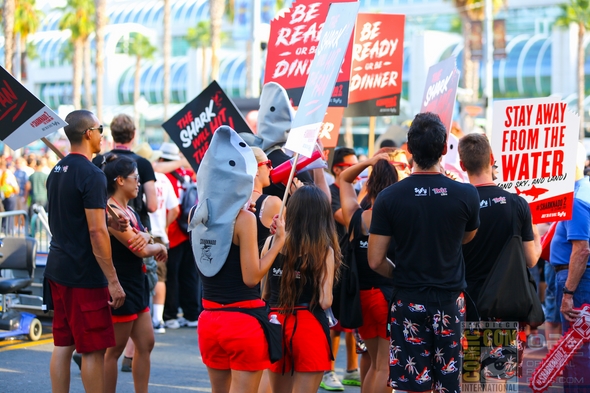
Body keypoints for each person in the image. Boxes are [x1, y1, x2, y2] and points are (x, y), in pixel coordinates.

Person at [368, 112, 480, 392]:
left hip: (408, 299)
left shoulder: (388, 197)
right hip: (449, 302)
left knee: (411, 386)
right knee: (450, 385)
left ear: (408, 148)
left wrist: (401, 272)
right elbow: (467, 238)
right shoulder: (466, 194)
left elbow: (375, 260)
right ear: (444, 148)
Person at [191, 126, 286, 393]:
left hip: (209, 320)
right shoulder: (244, 219)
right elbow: (251, 276)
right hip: (244, 319)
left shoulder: (196, 214)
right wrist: (277, 243)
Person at [43, 110, 126, 393]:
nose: (103, 134)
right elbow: (96, 231)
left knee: (63, 345)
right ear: (88, 133)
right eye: (100, 128)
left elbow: (79, 216)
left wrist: (111, 217)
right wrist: (113, 280)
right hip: (83, 273)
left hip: (57, 268)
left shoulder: (56, 171)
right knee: (92, 350)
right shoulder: (91, 174)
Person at [458, 133, 541, 379]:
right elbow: (531, 260)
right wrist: (535, 232)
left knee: (470, 377)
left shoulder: (459, 202)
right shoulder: (517, 204)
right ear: (492, 159)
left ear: (462, 165)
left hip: (467, 305)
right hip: (506, 305)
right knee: (497, 378)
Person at [101, 154, 168, 393]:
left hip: (137, 284)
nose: (138, 182)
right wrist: (158, 245)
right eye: (135, 178)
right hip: (123, 284)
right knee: (114, 350)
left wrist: (149, 237)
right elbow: (139, 247)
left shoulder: (128, 210)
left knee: (146, 343)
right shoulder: (113, 212)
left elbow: (144, 234)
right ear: (119, 180)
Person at [264, 185, 340, 393]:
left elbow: (264, 292)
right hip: (309, 324)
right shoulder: (324, 250)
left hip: (276, 322)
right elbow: (325, 301)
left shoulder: (272, 242)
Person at [339, 154, 398, 393]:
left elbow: (344, 179)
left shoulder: (355, 216)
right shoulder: (396, 219)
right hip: (385, 297)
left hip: (361, 298)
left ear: (370, 185)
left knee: (375, 363)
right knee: (385, 366)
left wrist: (369, 162)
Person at [550, 142, 590, 391]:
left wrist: (568, 293)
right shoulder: (578, 193)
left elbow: (582, 249)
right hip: (578, 279)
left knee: (577, 350)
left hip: (578, 281)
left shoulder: (577, 197)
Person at [321, 147, 361, 392]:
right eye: (352, 166)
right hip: (333, 262)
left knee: (351, 322)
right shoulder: (333, 193)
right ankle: (328, 370)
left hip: (352, 262)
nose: (358, 170)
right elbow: (348, 218)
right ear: (337, 169)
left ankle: (351, 369)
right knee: (334, 322)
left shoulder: (353, 192)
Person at [135, 142, 180, 334]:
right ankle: (158, 319)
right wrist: (165, 225)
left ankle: (139, 318)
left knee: (139, 275)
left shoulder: (137, 178)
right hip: (160, 234)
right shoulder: (164, 179)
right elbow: (175, 209)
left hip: (139, 232)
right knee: (160, 277)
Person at [158, 142, 201, 328]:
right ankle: (191, 314)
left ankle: (171, 315)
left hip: (173, 231)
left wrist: (165, 226)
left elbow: (173, 209)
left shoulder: (163, 175)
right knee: (189, 274)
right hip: (189, 229)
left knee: (171, 275)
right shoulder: (188, 174)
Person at [92, 114, 157, 230]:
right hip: (135, 228)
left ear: (112, 134)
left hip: (104, 224)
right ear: (133, 134)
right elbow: (152, 206)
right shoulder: (143, 163)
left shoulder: (99, 160)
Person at [251, 147, 282, 252]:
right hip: (263, 265)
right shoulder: (272, 203)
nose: (271, 168)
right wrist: (297, 193)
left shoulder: (234, 202)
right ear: (255, 169)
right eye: (268, 164)